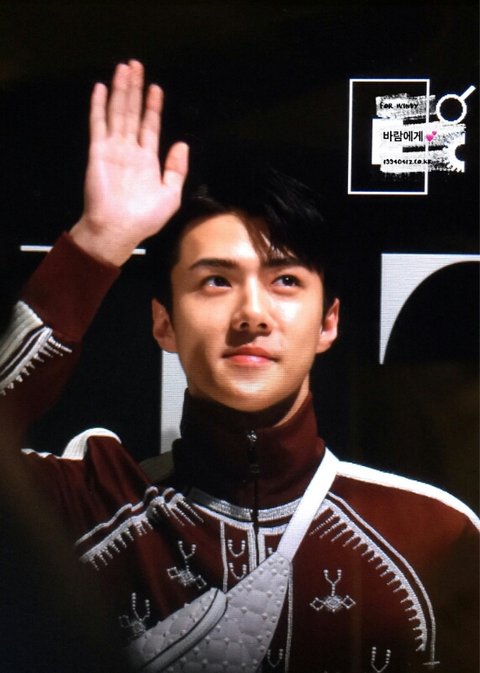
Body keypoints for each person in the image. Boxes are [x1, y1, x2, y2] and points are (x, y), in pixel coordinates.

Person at [1, 60, 478, 673]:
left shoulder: (434, 536)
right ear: (164, 323)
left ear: (328, 323)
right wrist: (98, 241)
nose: (252, 313)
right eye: (216, 281)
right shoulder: (80, 512)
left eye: (285, 281)